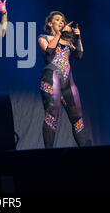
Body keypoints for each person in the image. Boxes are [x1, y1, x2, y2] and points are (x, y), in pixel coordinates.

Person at [38, 11, 86, 148]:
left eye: (62, 20)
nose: (61, 22)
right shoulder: (43, 37)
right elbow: (49, 51)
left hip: (68, 83)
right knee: (52, 115)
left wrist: (78, 37)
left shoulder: (68, 41)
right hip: (51, 79)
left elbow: (79, 54)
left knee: (77, 118)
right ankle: (49, 154)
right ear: (49, 23)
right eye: (57, 20)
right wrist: (59, 34)